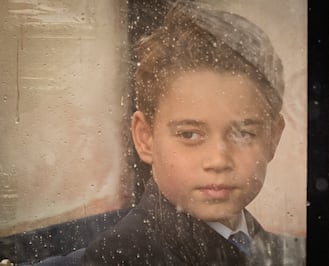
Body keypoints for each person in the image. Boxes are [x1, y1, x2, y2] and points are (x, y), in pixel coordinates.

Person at [82, 1, 305, 265]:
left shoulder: (288, 253)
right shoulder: (121, 255)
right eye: (189, 135)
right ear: (145, 138)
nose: (218, 161)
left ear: (273, 138)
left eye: (244, 134)